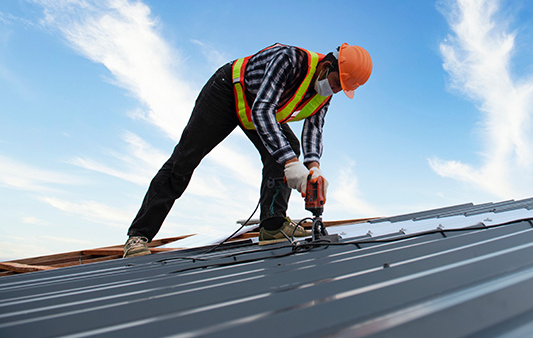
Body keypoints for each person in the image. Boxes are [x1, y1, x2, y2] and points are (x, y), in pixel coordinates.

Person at [123, 42, 372, 257]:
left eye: (342, 88)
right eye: (336, 82)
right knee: (185, 159)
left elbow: (314, 130)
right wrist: (291, 163)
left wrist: (313, 169)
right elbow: (263, 109)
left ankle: (272, 226)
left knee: (289, 148)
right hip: (228, 92)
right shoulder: (290, 60)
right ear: (327, 66)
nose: (336, 89)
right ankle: (138, 236)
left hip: (259, 109)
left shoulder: (324, 95)